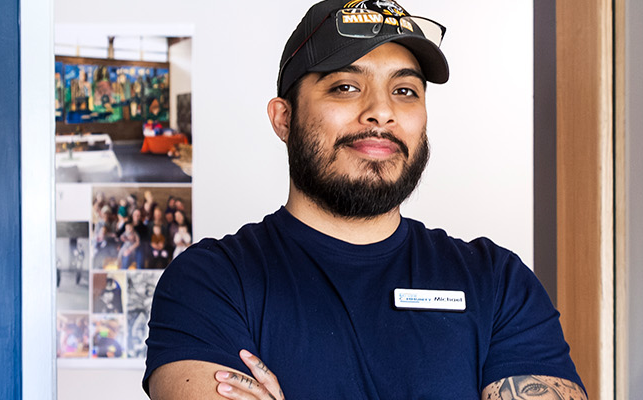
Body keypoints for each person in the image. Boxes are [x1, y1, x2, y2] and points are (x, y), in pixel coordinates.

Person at [143, 1, 585, 399]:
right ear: (284, 118)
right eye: (346, 87)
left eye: (405, 90)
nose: (382, 110)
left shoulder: (498, 283)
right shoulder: (211, 283)